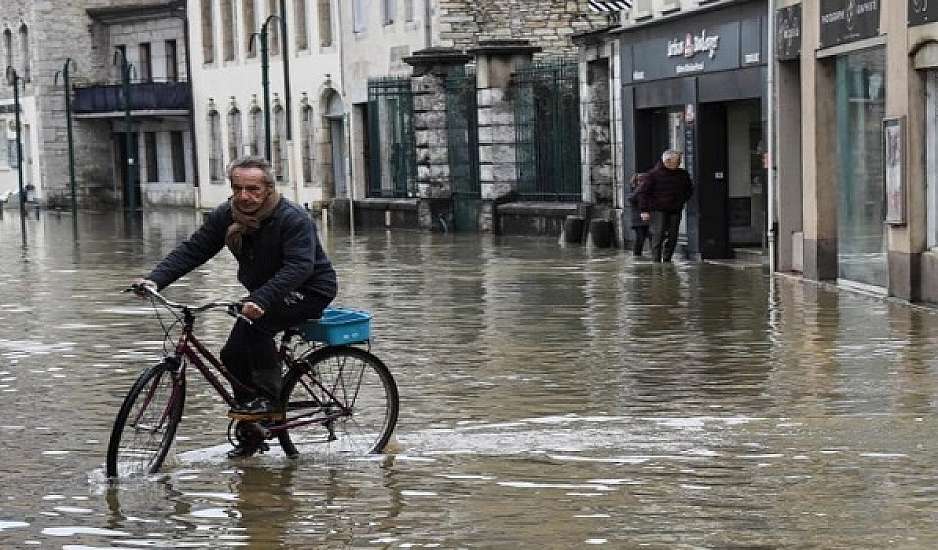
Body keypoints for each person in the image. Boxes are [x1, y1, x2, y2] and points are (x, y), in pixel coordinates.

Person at [134, 155, 337, 457]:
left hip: (308, 289)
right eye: (238, 188)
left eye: (253, 189)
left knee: (257, 330)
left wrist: (260, 299)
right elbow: (194, 249)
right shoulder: (227, 216)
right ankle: (252, 424)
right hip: (263, 293)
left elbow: (299, 267)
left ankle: (269, 402)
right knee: (231, 354)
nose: (245, 196)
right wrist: (154, 281)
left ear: (268, 188)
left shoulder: (292, 218)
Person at [638, 150, 694, 263]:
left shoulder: (683, 174)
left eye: (679, 161)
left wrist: (682, 200)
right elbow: (642, 193)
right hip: (658, 209)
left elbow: (689, 189)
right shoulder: (652, 175)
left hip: (675, 209)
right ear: (667, 161)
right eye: (677, 161)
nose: (679, 163)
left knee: (673, 237)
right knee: (658, 235)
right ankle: (656, 262)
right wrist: (644, 210)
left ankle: (667, 259)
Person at [627, 173, 651, 256]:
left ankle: (654, 256)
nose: (642, 182)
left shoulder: (648, 191)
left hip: (650, 219)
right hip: (638, 220)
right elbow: (631, 198)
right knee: (640, 239)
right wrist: (640, 188)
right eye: (640, 180)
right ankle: (637, 256)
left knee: (653, 238)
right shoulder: (634, 192)